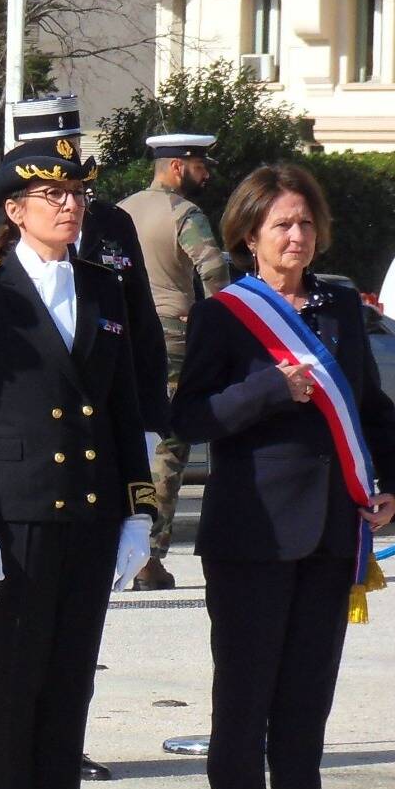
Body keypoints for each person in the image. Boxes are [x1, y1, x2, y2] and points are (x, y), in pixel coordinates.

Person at [170, 165, 395, 789]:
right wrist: (269, 389)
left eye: (305, 222)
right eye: (282, 224)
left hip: (332, 531)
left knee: (306, 703)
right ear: (248, 235)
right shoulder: (225, 314)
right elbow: (190, 419)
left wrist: (394, 486)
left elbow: (372, 408)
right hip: (254, 534)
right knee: (243, 702)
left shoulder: (338, 305)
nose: (297, 236)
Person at [0, 142, 158, 789]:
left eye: (77, 194)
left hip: (89, 508)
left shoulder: (102, 285)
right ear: (15, 209)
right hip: (19, 507)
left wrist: (139, 507)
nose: (69, 205)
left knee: (69, 688)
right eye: (53, 194)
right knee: (15, 687)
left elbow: (127, 404)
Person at [120, 133, 231, 590]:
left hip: (119, 339)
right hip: (170, 336)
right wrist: (221, 326)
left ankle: (116, 548)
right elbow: (213, 271)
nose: (206, 172)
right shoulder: (185, 215)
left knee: (126, 444)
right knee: (167, 447)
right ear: (177, 166)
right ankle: (148, 557)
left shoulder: (120, 210)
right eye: (201, 164)